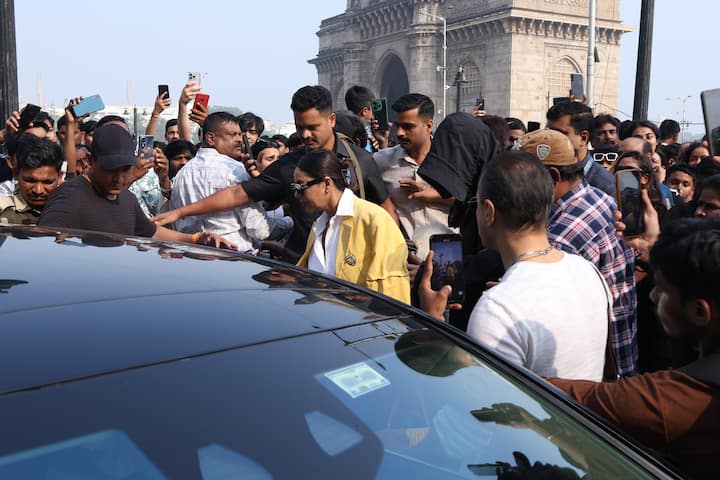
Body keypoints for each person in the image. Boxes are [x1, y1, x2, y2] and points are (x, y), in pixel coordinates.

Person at [547, 217, 720, 479]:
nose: (651, 296)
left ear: (699, 311)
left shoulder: (674, 400)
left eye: (661, 290)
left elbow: (583, 396)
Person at [420, 150, 609, 380]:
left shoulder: (497, 310)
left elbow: (479, 403)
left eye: (476, 204)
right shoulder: (588, 271)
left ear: (488, 212)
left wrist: (433, 320)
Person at [153, 85, 396, 262]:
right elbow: (238, 193)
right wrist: (179, 211)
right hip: (304, 267)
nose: (306, 135)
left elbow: (384, 206)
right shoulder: (288, 165)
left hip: (354, 265)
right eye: (300, 128)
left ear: (331, 120)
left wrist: (395, 252)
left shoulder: (361, 160)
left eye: (313, 127)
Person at [517, 129, 637, 377]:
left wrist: (510, 293)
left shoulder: (562, 235)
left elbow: (537, 308)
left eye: (520, 181)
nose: (514, 190)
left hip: (593, 374)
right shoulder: (598, 198)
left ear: (551, 178)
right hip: (618, 357)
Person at [38, 124, 233, 249]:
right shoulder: (70, 197)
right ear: (91, 160)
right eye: (111, 169)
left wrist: (195, 239)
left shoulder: (127, 199)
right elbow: (44, 247)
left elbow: (151, 231)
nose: (118, 178)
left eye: (125, 169)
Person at [296, 149, 410, 303]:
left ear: (326, 184)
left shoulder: (374, 220)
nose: (297, 195)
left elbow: (391, 294)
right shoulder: (319, 226)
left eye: (301, 187)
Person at [168, 112, 271, 253]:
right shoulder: (236, 170)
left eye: (240, 135)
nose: (240, 140)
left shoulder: (182, 174)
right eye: (232, 135)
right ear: (210, 138)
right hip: (233, 258)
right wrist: (289, 223)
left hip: (191, 257)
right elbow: (258, 230)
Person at [373, 93, 454, 249]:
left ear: (428, 126)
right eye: (398, 126)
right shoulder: (381, 163)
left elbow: (473, 203)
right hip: (403, 259)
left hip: (449, 257)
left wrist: (436, 196)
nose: (399, 133)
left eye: (408, 127)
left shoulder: (452, 162)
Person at [545, 101, 616, 196]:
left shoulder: (606, 186)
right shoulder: (544, 175)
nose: (551, 138)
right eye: (548, 133)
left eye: (559, 134)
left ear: (583, 138)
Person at [0, 134, 62, 225]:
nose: (38, 190)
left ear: (59, 177)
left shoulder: (69, 209)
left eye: (47, 182)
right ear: (16, 174)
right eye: (30, 181)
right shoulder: (3, 211)